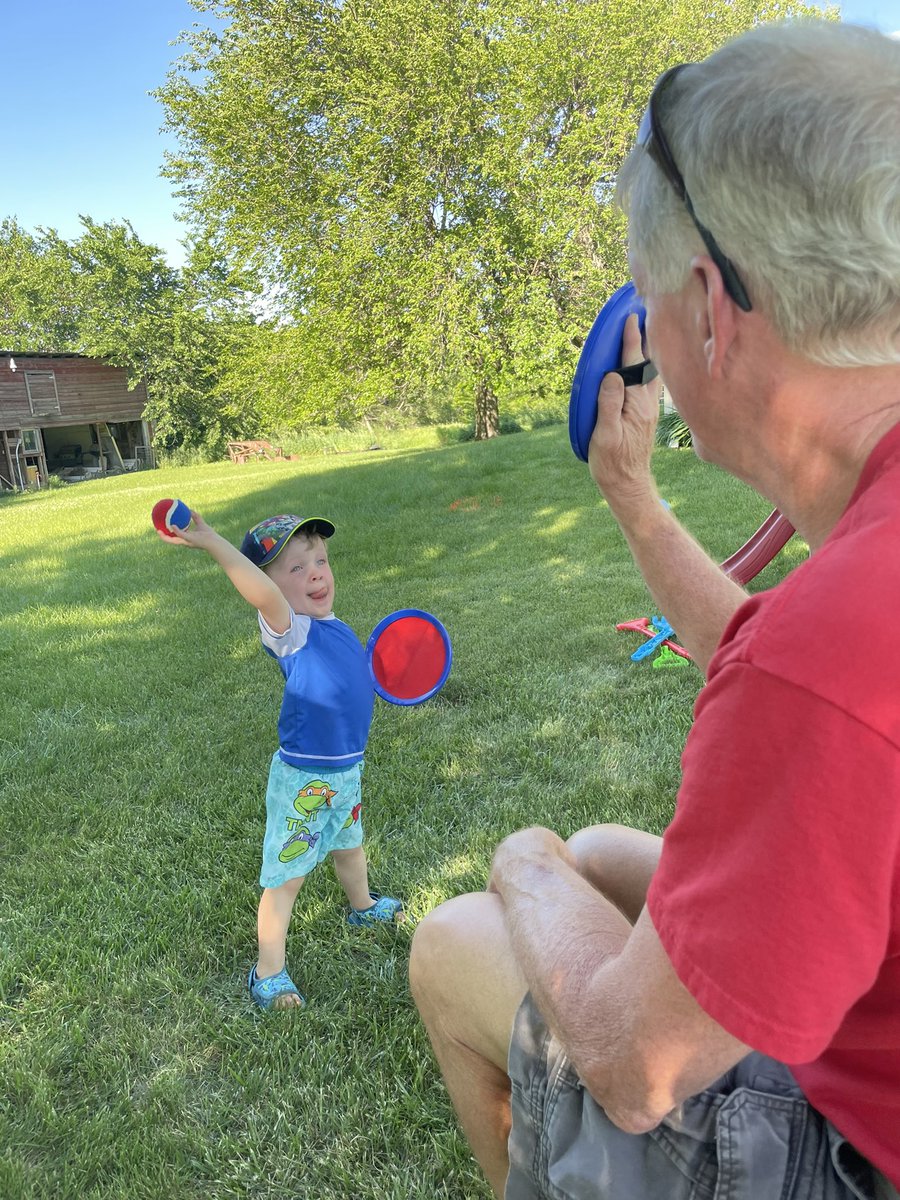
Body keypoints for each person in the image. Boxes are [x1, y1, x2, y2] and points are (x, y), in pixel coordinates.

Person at [410, 18, 900, 1200]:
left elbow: (640, 1069)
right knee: (605, 856)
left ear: (709, 309)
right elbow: (792, 672)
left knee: (463, 936)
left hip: (862, 1154)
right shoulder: (851, 604)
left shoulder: (835, 647)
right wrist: (631, 497)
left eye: (646, 295)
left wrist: (521, 863)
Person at [160, 512, 403, 1010]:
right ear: (270, 585)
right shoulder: (291, 632)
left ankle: (362, 906)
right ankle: (268, 971)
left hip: (346, 774)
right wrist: (212, 541)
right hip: (304, 782)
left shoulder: (335, 627)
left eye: (321, 561)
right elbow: (262, 594)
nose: (315, 573)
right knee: (286, 878)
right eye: (296, 568)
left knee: (350, 846)